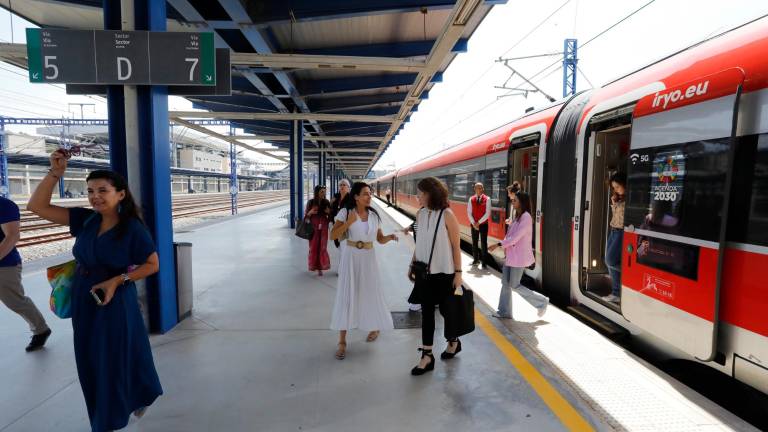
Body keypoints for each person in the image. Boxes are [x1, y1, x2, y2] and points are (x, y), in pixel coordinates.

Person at [27, 150, 163, 432]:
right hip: (85, 301)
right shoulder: (86, 220)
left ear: (121, 194)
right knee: (90, 360)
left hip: (114, 300)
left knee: (111, 359)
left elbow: (152, 265)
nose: (95, 196)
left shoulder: (132, 229)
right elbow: (36, 206)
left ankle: (109, 420)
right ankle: (113, 410)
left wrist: (117, 280)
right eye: (90, 191)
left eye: (103, 190)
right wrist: (55, 174)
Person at [329, 182, 398, 360]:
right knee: (347, 295)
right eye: (366, 194)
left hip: (368, 258)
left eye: (370, 193)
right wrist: (349, 223)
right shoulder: (346, 212)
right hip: (350, 257)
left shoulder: (374, 215)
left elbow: (379, 239)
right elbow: (333, 235)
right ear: (356, 196)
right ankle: (342, 341)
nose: (370, 196)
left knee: (370, 293)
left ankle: (374, 327)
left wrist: (390, 237)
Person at [407, 177, 464, 376]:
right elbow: (420, 242)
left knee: (447, 313)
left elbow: (457, 247)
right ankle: (427, 356)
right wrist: (411, 263)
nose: (417, 197)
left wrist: (458, 273)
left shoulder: (447, 215)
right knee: (427, 313)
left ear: (431, 194)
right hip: (424, 273)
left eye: (420, 193)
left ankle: (454, 342)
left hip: (445, 273)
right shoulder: (421, 214)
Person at [0, 196, 52, 352]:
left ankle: (41, 329)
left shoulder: (5, 205)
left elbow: (12, 236)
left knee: (15, 302)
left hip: (4, 265)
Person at [489, 190, 548, 319]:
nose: (512, 202)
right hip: (511, 256)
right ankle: (504, 311)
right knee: (505, 283)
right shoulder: (518, 216)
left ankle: (541, 302)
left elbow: (515, 238)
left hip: (518, 258)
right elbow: (510, 235)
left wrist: (498, 244)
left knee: (514, 284)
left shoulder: (526, 217)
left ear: (522, 202)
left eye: (515, 200)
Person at [604, 172, 626, 303]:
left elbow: (624, 218)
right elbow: (616, 216)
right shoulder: (620, 198)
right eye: (614, 188)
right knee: (608, 261)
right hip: (614, 230)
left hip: (622, 232)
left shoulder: (631, 198)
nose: (616, 190)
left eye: (618, 186)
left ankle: (630, 275)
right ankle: (616, 292)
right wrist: (614, 203)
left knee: (611, 261)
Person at [305, 185, 331, 276]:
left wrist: (329, 212)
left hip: (323, 227)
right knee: (313, 247)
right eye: (321, 192)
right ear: (317, 192)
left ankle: (320, 267)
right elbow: (306, 217)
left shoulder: (326, 202)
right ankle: (313, 266)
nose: (324, 193)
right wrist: (310, 212)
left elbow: (330, 216)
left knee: (322, 247)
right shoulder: (311, 202)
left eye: (324, 191)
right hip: (313, 227)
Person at [467, 182, 491, 268]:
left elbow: (487, 213)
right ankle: (475, 260)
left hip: (483, 224)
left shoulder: (487, 199)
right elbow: (469, 212)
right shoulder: (471, 199)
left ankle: (484, 262)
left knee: (484, 243)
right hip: (474, 224)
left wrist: (478, 222)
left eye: (481, 188)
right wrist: (474, 223)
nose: (479, 190)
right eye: (477, 188)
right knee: (474, 242)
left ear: (483, 189)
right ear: (475, 189)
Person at [329, 179, 351, 248]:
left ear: (348, 188)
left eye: (344, 185)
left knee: (344, 244)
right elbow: (331, 208)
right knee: (337, 243)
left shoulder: (351, 199)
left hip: (345, 224)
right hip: (335, 223)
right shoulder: (336, 197)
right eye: (340, 185)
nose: (342, 186)